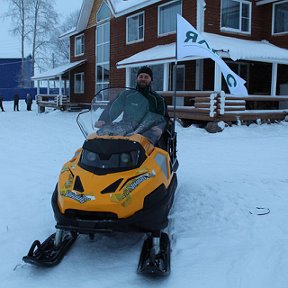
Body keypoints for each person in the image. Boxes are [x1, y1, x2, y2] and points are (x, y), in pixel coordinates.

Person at [95, 66, 168, 144]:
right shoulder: (126, 95)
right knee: (103, 138)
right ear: (137, 79)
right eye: (141, 76)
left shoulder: (157, 99)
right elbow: (113, 107)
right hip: (125, 127)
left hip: (148, 130)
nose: (143, 79)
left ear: (151, 80)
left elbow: (163, 117)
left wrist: (160, 128)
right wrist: (103, 119)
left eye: (146, 77)